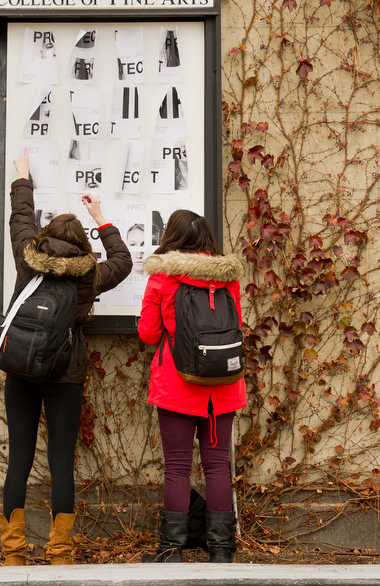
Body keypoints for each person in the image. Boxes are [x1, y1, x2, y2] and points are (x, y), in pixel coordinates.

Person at [0, 150, 132, 566]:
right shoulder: (89, 276)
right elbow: (123, 262)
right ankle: (59, 554)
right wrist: (102, 218)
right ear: (80, 245)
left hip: (20, 370)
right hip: (65, 376)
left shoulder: (27, 257)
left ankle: (14, 555)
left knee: (19, 457)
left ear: (45, 235)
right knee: (60, 463)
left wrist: (24, 175)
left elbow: (20, 218)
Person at [136, 210, 246, 563]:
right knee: (216, 466)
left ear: (173, 238)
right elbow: (235, 326)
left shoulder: (163, 278)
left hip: (176, 385)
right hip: (223, 387)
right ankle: (221, 550)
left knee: (178, 467)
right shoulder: (229, 278)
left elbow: (149, 333)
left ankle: (171, 551)